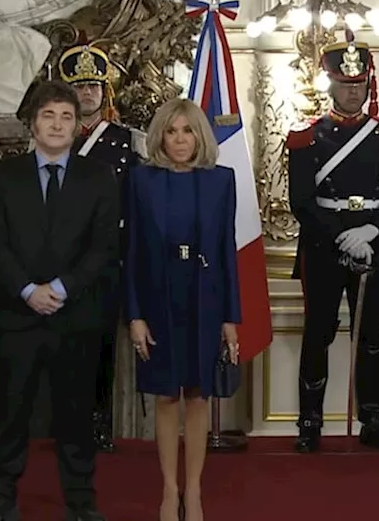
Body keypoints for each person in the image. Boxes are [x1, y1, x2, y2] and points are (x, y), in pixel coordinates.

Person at [0, 80, 120, 521]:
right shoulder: (4, 175)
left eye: (66, 117)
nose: (57, 125)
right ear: (33, 124)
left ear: (77, 126)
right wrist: (27, 290)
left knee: (76, 418)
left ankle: (80, 502)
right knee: (9, 415)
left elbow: (103, 245)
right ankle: (1, 501)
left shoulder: (99, 176)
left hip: (75, 316)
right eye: (49, 116)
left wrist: (60, 288)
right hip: (16, 317)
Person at [287, 34, 379, 453]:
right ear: (330, 84)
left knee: (371, 334)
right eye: (345, 83)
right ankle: (310, 421)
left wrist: (371, 233)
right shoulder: (306, 139)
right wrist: (342, 236)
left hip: (374, 243)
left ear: (368, 86)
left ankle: (374, 419)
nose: (352, 90)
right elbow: (301, 201)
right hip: (324, 245)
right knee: (318, 331)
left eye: (359, 84)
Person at [126, 98, 241, 521]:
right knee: (166, 397)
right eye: (172, 131)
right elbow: (133, 251)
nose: (179, 139)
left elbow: (228, 251)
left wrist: (231, 317)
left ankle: (193, 492)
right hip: (158, 300)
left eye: (187, 131)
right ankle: (167, 491)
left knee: (197, 395)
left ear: (200, 136)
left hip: (205, 300)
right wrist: (134, 315)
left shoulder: (221, 181)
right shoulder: (141, 181)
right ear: (161, 136)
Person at [58, 43, 145, 453]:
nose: (87, 93)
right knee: (63, 346)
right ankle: (66, 421)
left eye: (94, 85)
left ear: (104, 89)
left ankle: (98, 421)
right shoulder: (53, 138)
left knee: (102, 346)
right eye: (79, 86)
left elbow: (138, 203)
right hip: (62, 261)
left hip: (109, 259)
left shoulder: (128, 140)